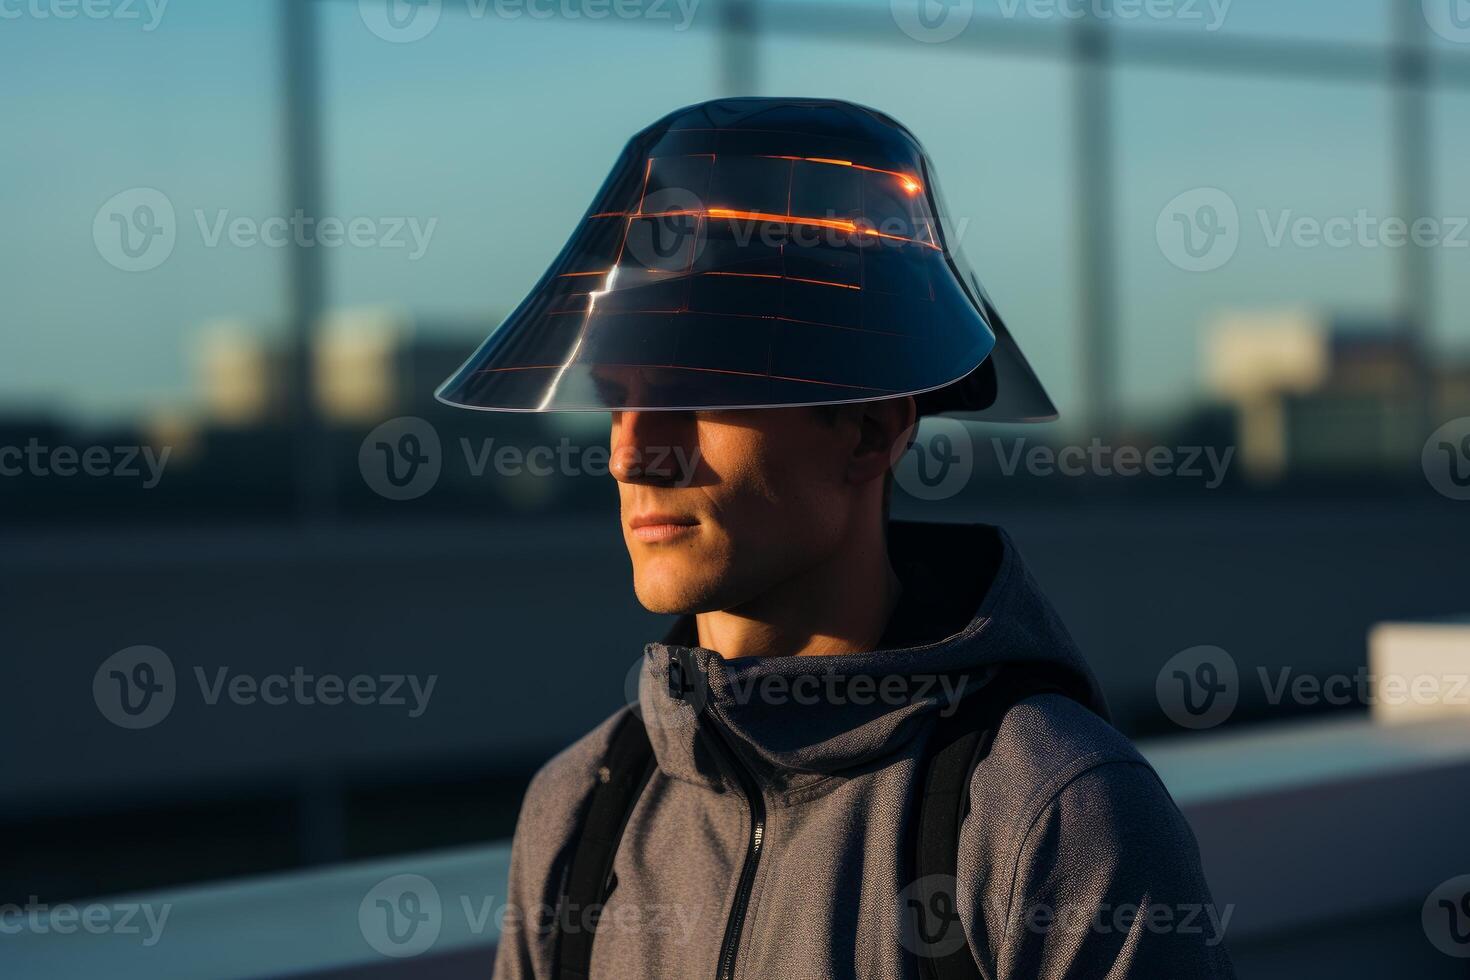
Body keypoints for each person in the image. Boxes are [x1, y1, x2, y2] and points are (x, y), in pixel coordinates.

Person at [439, 97, 1234, 979]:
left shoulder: (1050, 818)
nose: (631, 451)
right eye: (620, 393)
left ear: (869, 430)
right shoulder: (582, 815)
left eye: (693, 389)